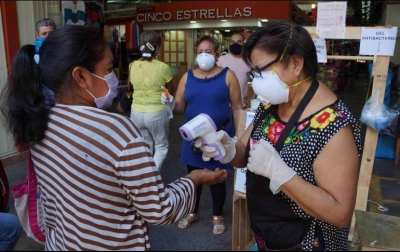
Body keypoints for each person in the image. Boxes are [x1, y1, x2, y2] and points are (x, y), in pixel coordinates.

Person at [0, 25, 228, 250]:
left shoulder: (39, 121)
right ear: (81, 76)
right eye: (108, 69)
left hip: (61, 243)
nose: (113, 77)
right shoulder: (116, 129)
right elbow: (159, 209)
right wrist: (195, 179)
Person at [196, 21, 362, 250]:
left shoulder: (333, 126)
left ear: (296, 63)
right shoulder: (272, 104)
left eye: (261, 70)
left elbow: (339, 213)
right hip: (270, 236)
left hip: (307, 242)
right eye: (253, 72)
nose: (257, 80)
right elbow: (245, 152)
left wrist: (280, 173)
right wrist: (229, 150)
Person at [169, 35, 243, 235]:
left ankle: (217, 214)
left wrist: (238, 137)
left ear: (217, 54)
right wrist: (169, 104)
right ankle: (192, 211)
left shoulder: (228, 76)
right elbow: (179, 107)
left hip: (218, 136)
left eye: (208, 52)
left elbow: (237, 108)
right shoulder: (187, 77)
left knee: (218, 176)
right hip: (193, 138)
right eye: (200, 51)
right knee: (194, 176)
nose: (203, 55)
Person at [129, 30, 175, 172]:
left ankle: (144, 175)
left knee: (145, 145)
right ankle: (152, 177)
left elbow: (130, 85)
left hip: (136, 112)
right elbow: (171, 89)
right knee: (161, 146)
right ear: (158, 47)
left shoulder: (133, 65)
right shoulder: (163, 67)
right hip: (156, 113)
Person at [217, 33, 255, 108]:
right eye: (232, 42)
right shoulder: (220, 60)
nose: (235, 44)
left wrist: (253, 96)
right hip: (222, 105)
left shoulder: (249, 61)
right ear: (229, 43)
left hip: (241, 105)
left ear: (244, 43)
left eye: (239, 41)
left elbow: (259, 79)